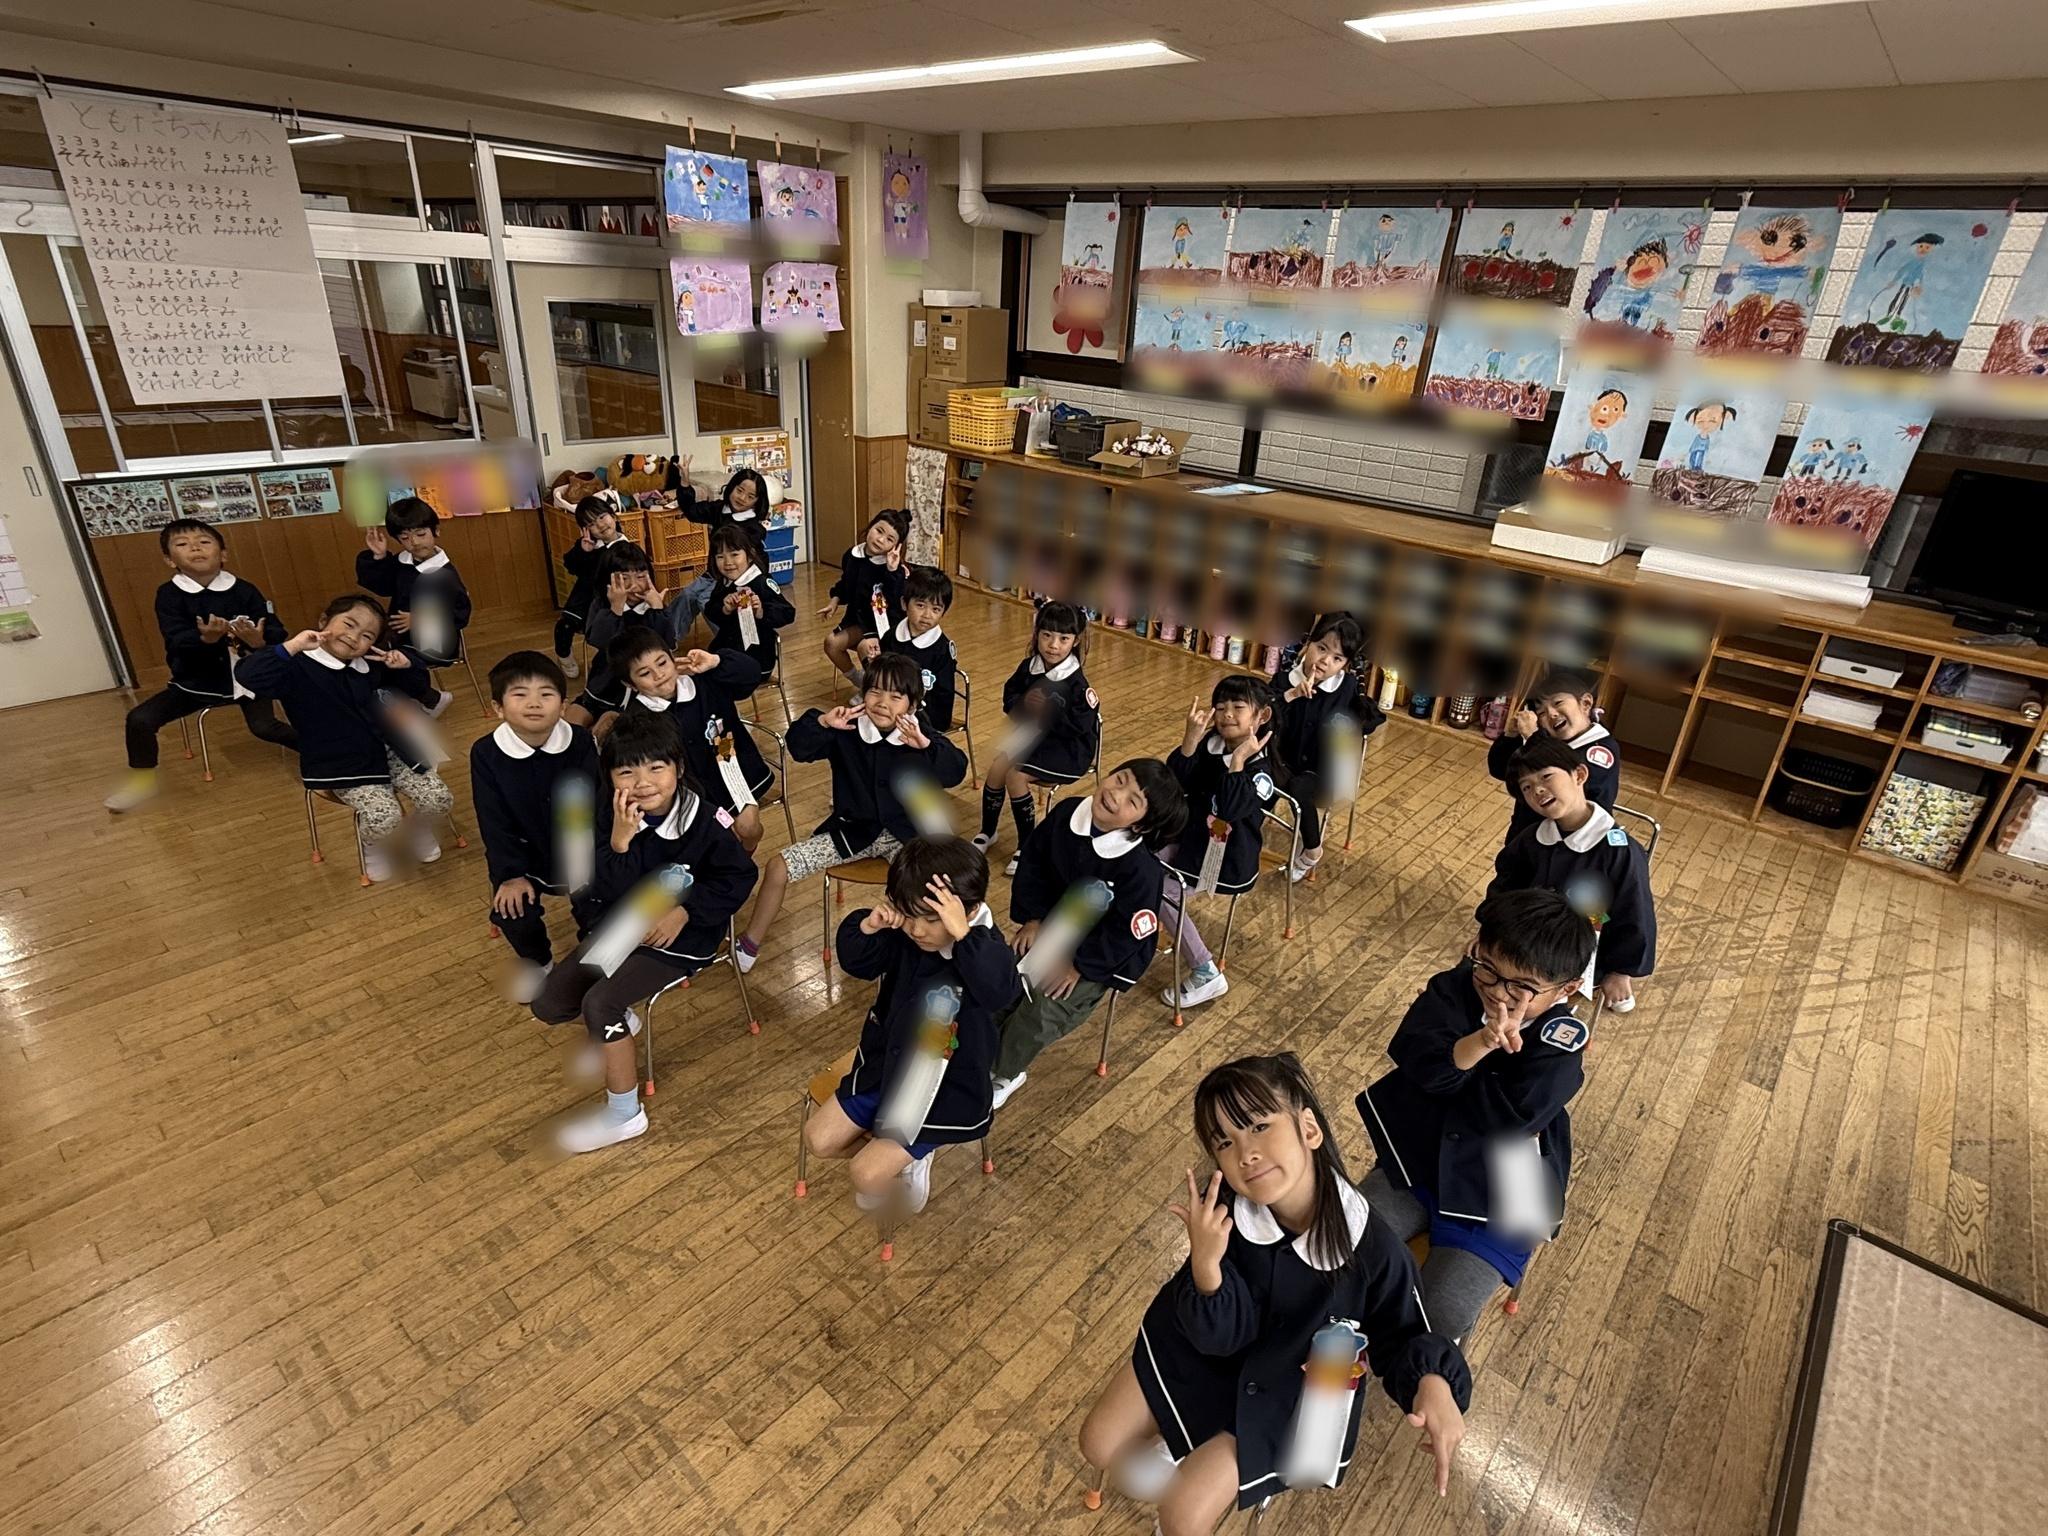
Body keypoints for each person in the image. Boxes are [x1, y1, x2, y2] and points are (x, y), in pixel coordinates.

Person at [1079, 1053, 1470, 1529]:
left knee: (1182, 1514)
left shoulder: (1375, 1249)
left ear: (1309, 1129)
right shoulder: (1223, 1213)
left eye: (1260, 1126)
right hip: (1208, 1353)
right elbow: (1217, 1337)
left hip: (1289, 1393)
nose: (1246, 1152)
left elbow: (1403, 1334)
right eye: (1225, 1141)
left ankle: (1186, 1453)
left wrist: (1433, 1384)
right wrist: (1206, 1267)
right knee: (1097, 1444)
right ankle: (1178, 1439)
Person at [1355, 889, 1598, 1345]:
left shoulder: (1562, 1040)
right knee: (1343, 1246)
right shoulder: (1455, 987)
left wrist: (1456, 1066)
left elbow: (1508, 1121)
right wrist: (1483, 1042)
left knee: (1443, 1311)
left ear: (1566, 989)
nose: (1497, 992)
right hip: (1420, 1158)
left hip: (1501, 1191)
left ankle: (1424, 1365)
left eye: (1522, 987)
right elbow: (1414, 1058)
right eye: (1488, 967)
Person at [530, 712, 759, 1154]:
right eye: (626, 772)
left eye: (656, 767)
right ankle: (621, 1023)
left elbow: (738, 877)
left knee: (601, 1003)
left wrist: (685, 913)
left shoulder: (706, 819)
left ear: (679, 768)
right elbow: (597, 890)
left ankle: (625, 1114)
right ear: (610, 776)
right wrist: (620, 842)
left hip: (683, 936)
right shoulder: (607, 814)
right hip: (624, 924)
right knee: (549, 1004)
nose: (642, 783)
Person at [804, 836, 1020, 1215]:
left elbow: (1001, 991)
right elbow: (858, 963)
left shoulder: (985, 949)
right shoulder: (907, 936)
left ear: (968, 911)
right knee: (817, 1140)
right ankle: (902, 1156)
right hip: (884, 1068)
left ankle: (912, 1156)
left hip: (940, 1091)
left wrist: (963, 937)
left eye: (932, 920)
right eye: (909, 915)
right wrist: (869, 926)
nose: (917, 930)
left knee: (865, 1175)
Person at [735, 652, 966, 972]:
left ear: (912, 706)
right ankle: (748, 944)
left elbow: (956, 772)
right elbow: (799, 748)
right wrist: (821, 722)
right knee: (777, 866)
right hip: (851, 832)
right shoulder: (847, 728)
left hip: (909, 837)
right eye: (875, 692)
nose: (882, 703)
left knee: (935, 892)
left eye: (896, 696)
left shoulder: (919, 734)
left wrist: (926, 745)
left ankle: (935, 957)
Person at [988, 760, 1187, 1109]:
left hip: (1098, 957)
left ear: (1139, 824)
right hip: (1049, 925)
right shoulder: (1068, 812)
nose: (1116, 795)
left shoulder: (1141, 870)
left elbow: (1127, 936)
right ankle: (980, 1049)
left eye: (1132, 800)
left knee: (1043, 1008)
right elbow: (1033, 863)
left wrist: (1079, 966)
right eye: (1120, 780)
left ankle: (1005, 1072)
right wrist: (1033, 918)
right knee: (1002, 979)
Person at [233, 594, 454, 882]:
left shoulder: (369, 664)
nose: (354, 637)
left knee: (439, 799)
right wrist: (293, 645)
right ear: (324, 620)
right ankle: (372, 846)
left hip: (390, 751)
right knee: (384, 816)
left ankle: (418, 828)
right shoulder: (297, 665)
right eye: (349, 624)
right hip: (340, 763)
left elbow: (416, 687)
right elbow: (249, 676)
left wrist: (406, 664)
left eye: (366, 635)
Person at [104, 517, 298, 813]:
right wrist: (206, 639)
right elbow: (175, 639)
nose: (195, 548)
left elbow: (274, 630)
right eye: (182, 544)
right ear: (170, 560)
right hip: (196, 682)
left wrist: (258, 641)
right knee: (140, 719)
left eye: (204, 542)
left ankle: (323, 750)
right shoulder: (169, 594)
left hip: (250, 679)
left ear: (223, 554)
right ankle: (143, 781)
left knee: (264, 727)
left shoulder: (244, 589)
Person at [1488, 735, 1655, 1012]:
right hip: (1528, 941)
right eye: (1527, 787)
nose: (1538, 790)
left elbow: (1634, 911)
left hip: (1583, 950)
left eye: (1546, 777)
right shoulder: (1531, 838)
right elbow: (1504, 887)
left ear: (1579, 774)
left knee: (1534, 1005)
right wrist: (1490, 932)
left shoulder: (1620, 851)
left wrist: (1621, 971)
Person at [470, 650, 601, 1002]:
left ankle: (594, 964)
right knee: (512, 911)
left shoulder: (580, 741)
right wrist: (510, 874)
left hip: (579, 848)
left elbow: (594, 805)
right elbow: (493, 820)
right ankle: (538, 962)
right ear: (498, 707)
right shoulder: (486, 753)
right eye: (519, 694)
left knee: (599, 907)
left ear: (563, 705)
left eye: (546, 694)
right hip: (523, 856)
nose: (534, 703)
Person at [1159, 678, 1282, 1012]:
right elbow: (1174, 784)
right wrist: (1190, 739)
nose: (1227, 714)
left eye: (1238, 707)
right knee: (1134, 859)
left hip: (1225, 859)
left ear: (1262, 716)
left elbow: (1229, 808)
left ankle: (1205, 971)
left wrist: (1239, 760)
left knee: (1162, 891)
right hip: (1189, 840)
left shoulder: (1261, 771)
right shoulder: (1211, 744)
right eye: (1221, 706)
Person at [613, 629, 774, 854]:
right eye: (645, 673)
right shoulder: (637, 720)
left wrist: (716, 661)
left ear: (672, 657)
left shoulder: (705, 680)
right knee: (715, 843)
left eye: (662, 663)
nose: (659, 675)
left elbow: (752, 674)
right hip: (688, 793)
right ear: (630, 684)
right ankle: (733, 863)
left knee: (749, 828)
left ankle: (743, 858)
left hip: (735, 775)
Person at [976, 602, 1102, 875]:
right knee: (997, 768)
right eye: (1047, 635)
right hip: (1033, 735)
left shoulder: (1077, 684)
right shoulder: (1029, 666)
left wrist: (1048, 712)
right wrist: (1024, 703)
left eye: (1063, 638)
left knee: (1015, 776)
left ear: (1075, 641)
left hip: (1068, 748)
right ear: (1037, 634)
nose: (1053, 645)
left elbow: (1080, 727)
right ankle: (988, 832)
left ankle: (1026, 845)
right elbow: (1009, 699)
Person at [1269, 613, 1380, 883]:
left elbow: (1365, 725)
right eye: (1321, 648)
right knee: (1254, 781)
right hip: (1281, 762)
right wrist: (1291, 695)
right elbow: (1264, 715)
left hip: (1321, 772)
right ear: (1309, 642)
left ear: (1345, 665)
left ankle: (1312, 850)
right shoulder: (1285, 680)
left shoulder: (1347, 688)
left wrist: (1351, 727)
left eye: (1337, 658)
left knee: (1299, 787)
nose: (1325, 661)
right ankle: (1238, 840)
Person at [354, 496, 471, 717]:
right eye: (405, 537)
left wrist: (420, 619)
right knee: (368, 651)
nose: (414, 542)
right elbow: (382, 586)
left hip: (435, 640)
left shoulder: (445, 575)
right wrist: (379, 556)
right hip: (399, 634)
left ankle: (431, 698)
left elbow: (461, 614)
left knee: (395, 659)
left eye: (420, 534)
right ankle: (394, 701)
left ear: (436, 531)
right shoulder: (402, 561)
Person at [1484, 667, 1618, 848]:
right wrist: (1510, 735)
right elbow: (1499, 769)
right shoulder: (1545, 741)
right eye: (1542, 713)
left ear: (1585, 703)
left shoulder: (1599, 750)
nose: (1551, 714)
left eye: (1558, 702)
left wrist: (1534, 738)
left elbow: (1571, 793)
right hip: (1525, 838)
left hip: (1571, 846)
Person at [570, 544, 696, 731]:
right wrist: (616, 608)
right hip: (605, 684)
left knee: (611, 726)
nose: (633, 585)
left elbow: (668, 643)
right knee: (571, 724)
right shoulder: (602, 605)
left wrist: (657, 608)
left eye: (640, 576)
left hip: (646, 690)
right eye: (623, 578)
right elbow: (598, 640)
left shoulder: (653, 607)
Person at [820, 508, 910, 682]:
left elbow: (897, 600)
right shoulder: (852, 555)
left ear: (896, 546)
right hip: (858, 621)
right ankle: (861, 682)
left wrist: (892, 570)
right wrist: (834, 601)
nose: (880, 540)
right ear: (870, 527)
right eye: (879, 531)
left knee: (866, 648)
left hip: (884, 626)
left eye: (890, 539)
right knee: (831, 643)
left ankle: (875, 687)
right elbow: (845, 584)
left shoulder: (895, 569)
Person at [554, 494, 634, 681]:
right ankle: (564, 656)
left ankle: (609, 663)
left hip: (610, 603)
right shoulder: (588, 546)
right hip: (584, 600)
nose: (600, 525)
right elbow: (571, 566)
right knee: (563, 627)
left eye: (602, 517)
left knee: (611, 635)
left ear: (613, 516)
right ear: (585, 530)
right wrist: (584, 551)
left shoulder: (626, 548)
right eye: (591, 524)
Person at [875, 565, 960, 733]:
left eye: (936, 609)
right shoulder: (891, 636)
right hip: (890, 708)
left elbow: (943, 697)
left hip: (924, 718)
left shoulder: (942, 650)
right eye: (920, 605)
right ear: (904, 604)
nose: (927, 615)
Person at [704, 523, 795, 676]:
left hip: (757, 659)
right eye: (720, 557)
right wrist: (724, 609)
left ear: (750, 555)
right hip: (726, 651)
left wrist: (761, 612)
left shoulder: (761, 582)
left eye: (734, 554)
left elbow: (788, 613)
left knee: (712, 679)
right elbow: (710, 610)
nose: (727, 562)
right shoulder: (724, 583)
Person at [680, 465, 771, 616]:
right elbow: (692, 511)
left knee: (706, 602)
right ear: (731, 487)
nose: (742, 498)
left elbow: (759, 563)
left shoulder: (753, 528)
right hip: (713, 573)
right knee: (686, 596)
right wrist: (685, 482)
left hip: (735, 579)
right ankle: (666, 630)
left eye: (750, 497)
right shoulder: (720, 509)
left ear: (757, 501)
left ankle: (732, 630)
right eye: (739, 491)